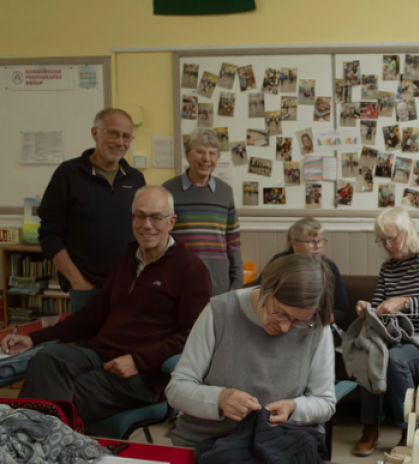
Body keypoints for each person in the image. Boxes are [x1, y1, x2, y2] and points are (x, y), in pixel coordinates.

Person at [1, 187, 211, 423]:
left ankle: (33, 443)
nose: (146, 224)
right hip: (100, 354)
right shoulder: (126, 260)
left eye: (156, 217)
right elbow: (91, 316)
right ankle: (35, 440)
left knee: (64, 395)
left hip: (143, 375)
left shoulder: (191, 270)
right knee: (47, 358)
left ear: (171, 222)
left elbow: (193, 336)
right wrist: (33, 338)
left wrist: (139, 361)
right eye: (139, 216)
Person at [166, 253, 336, 447]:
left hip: (281, 445)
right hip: (208, 441)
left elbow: (325, 402)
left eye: (299, 321)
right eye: (280, 313)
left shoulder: (316, 326)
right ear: (266, 288)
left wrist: (293, 408)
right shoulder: (219, 311)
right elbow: (176, 390)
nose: (285, 328)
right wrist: (219, 399)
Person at [352, 207, 419, 455]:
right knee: (369, 352)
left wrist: (404, 301)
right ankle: (371, 427)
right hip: (398, 340)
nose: (387, 245)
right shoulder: (388, 268)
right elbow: (379, 308)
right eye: (382, 240)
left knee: (395, 360)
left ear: (407, 232)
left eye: (392, 238)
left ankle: (409, 430)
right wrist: (368, 308)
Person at [37, 108, 146, 312]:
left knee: (124, 343)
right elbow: (49, 233)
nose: (120, 142)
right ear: (95, 133)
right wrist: (76, 280)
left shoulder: (136, 179)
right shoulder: (68, 174)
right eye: (112, 133)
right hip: (85, 288)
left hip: (127, 285)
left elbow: (142, 230)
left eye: (126, 136)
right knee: (86, 344)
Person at [163, 128, 242, 297]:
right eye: (199, 152)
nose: (206, 159)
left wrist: (237, 281)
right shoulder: (168, 190)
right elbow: (161, 239)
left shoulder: (225, 192)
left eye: (212, 153)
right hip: (179, 282)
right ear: (187, 155)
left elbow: (233, 242)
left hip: (218, 284)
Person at [254, 218, 348, 322]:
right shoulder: (279, 263)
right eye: (311, 241)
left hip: (316, 326)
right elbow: (257, 294)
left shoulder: (329, 267)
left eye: (320, 240)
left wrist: (321, 318)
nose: (317, 246)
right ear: (295, 244)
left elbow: (342, 310)